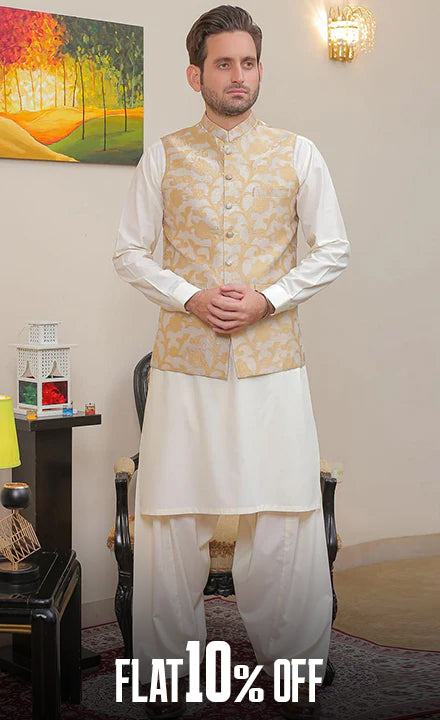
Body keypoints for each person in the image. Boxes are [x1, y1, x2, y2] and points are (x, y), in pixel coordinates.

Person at [113, 5, 350, 718]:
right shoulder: (163, 155)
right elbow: (129, 252)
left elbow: (333, 248)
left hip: (273, 365)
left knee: (286, 519)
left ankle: (294, 674)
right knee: (169, 520)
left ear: (259, 69)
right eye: (223, 63)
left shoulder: (299, 153)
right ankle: (167, 679)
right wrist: (187, 296)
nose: (238, 75)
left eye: (248, 62)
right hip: (185, 365)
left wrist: (269, 300)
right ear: (197, 75)